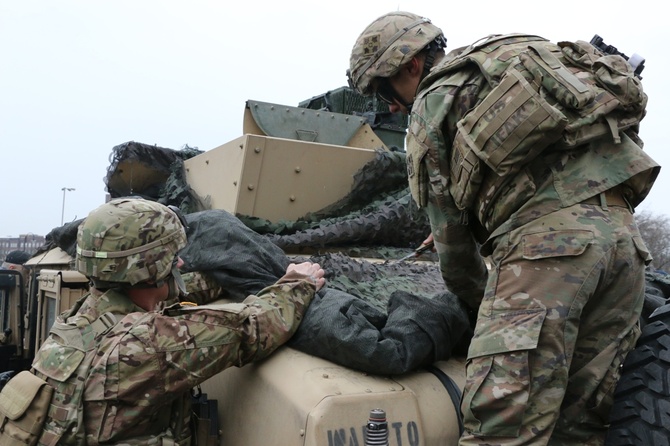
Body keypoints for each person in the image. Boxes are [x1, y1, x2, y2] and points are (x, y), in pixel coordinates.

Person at [348, 11, 660, 446]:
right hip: (625, 249)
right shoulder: (526, 55)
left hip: (547, 259)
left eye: (385, 92)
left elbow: (455, 257)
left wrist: (491, 312)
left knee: (500, 431)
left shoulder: (433, 101)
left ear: (410, 66)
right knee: (580, 430)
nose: (392, 107)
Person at [28, 197, 325, 445]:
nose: (180, 263)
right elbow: (251, 329)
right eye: (171, 257)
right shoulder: (149, 343)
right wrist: (299, 284)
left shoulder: (78, 319)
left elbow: (166, 293)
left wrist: (225, 275)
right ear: (146, 267)